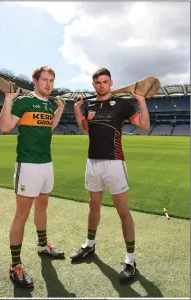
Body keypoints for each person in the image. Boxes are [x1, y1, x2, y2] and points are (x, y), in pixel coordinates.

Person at [71, 68, 150, 284]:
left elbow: (144, 125)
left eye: (105, 82)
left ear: (111, 83)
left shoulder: (123, 104)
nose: (101, 85)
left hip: (114, 164)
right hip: (92, 163)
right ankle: (89, 244)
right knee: (93, 207)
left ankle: (130, 260)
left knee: (123, 212)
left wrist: (141, 100)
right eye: (97, 82)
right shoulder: (90, 104)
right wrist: (78, 109)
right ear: (93, 84)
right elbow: (85, 129)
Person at [0, 66, 65, 289]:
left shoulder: (48, 105)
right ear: (35, 81)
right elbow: (6, 126)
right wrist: (9, 99)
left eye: (52, 80)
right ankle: (15, 265)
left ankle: (43, 245)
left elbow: (50, 127)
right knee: (22, 214)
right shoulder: (23, 102)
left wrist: (60, 110)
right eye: (45, 80)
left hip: (47, 165)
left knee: (43, 206)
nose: (49, 84)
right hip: (27, 165)